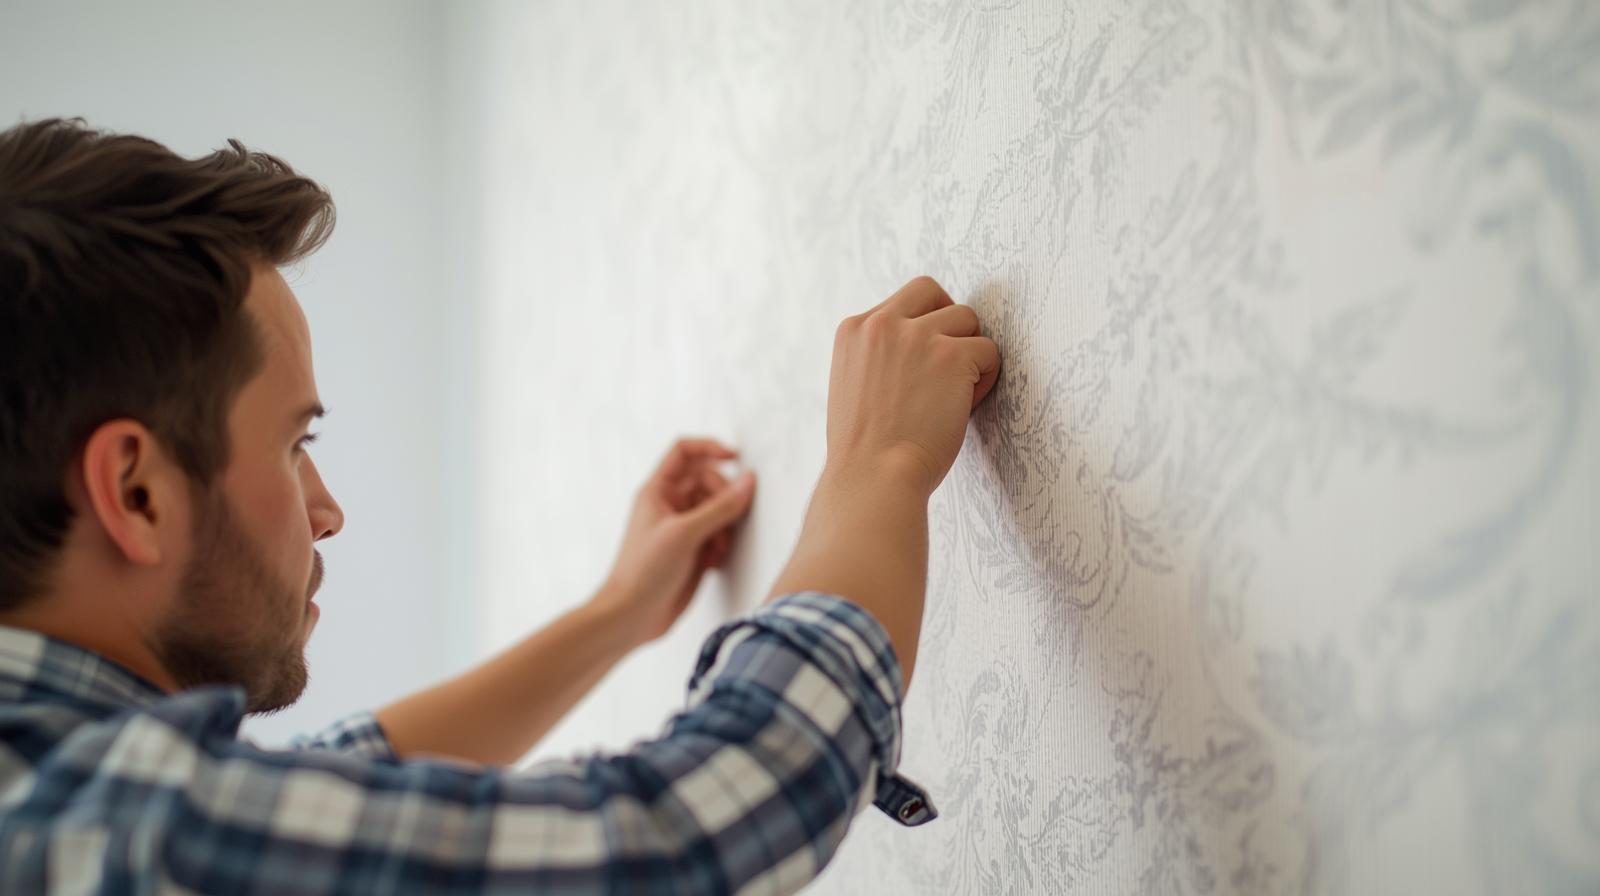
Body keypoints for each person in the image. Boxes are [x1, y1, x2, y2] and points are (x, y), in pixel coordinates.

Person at [0, 116, 1001, 894]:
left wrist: (612, 615)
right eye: (295, 441)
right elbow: (684, 834)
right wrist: (877, 465)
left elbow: (319, 792)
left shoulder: (58, 798)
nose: (326, 509)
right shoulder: (104, 825)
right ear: (135, 490)